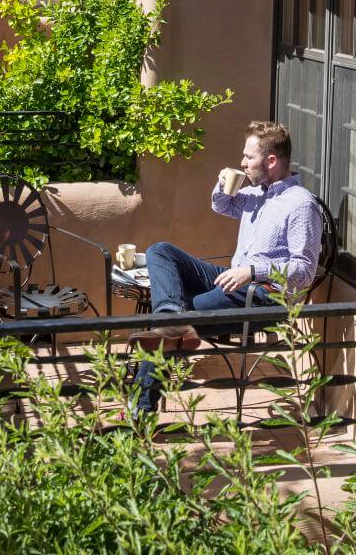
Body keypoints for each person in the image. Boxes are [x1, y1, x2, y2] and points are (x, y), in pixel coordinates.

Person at [128, 120, 324, 414]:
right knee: (160, 252)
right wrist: (222, 184)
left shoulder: (300, 205)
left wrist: (253, 272)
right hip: (232, 280)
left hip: (264, 296)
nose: (242, 162)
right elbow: (222, 205)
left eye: (248, 157)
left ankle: (140, 409)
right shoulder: (258, 193)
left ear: (270, 161)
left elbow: (304, 270)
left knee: (177, 322)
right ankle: (170, 315)